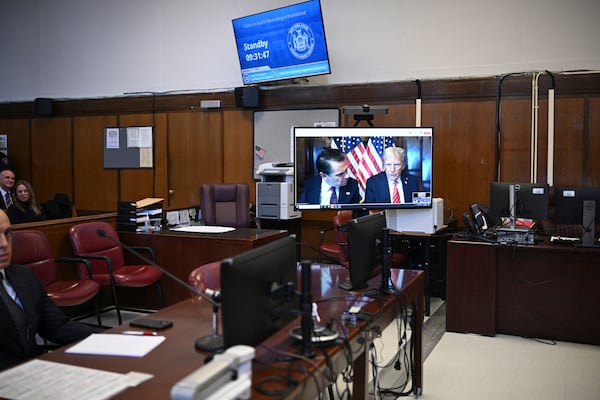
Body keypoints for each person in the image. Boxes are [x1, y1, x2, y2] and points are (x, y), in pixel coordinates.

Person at [0, 209, 99, 371]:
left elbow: (58, 327)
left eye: (7, 233)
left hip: (34, 373)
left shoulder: (24, 276)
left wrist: (108, 338)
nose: (4, 243)